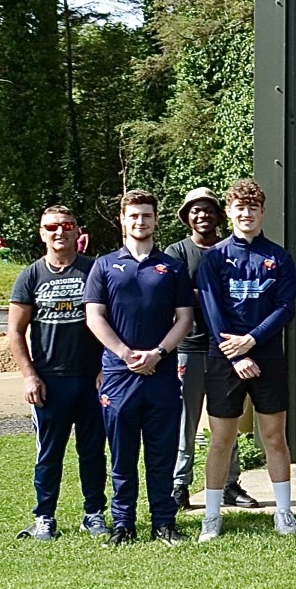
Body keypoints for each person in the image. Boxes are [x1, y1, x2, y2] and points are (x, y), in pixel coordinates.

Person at [83, 190, 195, 546]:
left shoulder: (172, 267)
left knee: (161, 453)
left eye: (146, 215)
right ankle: (123, 525)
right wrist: (125, 353)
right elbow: (94, 316)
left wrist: (158, 353)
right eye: (133, 216)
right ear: (123, 220)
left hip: (161, 374)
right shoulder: (104, 265)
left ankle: (164, 522)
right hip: (119, 376)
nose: (140, 222)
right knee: (122, 454)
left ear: (156, 219)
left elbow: (185, 318)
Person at [194, 180, 296, 539]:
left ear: (262, 212)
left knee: (274, 436)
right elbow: (210, 308)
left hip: (267, 354)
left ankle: (284, 513)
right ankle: (212, 515)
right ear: (229, 212)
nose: (246, 214)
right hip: (225, 358)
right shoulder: (214, 257)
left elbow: (286, 308)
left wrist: (252, 340)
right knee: (222, 438)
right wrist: (235, 354)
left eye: (252, 207)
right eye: (239, 207)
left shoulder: (279, 256)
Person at [10, 205, 107, 540]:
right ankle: (44, 517)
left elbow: (112, 321)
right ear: (42, 232)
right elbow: (15, 330)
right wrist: (29, 376)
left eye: (66, 225)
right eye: (51, 227)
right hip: (50, 382)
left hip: (91, 380)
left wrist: (105, 366)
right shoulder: (31, 276)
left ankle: (94, 514)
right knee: (49, 454)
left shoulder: (94, 270)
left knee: (93, 451)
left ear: (77, 231)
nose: (59, 232)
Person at [167, 187, 249, 513]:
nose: (202, 215)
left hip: (227, 348)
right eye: (195, 210)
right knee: (186, 421)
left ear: (219, 214)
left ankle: (230, 484)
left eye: (208, 210)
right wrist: (210, 295)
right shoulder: (178, 252)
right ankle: (179, 486)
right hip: (189, 348)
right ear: (187, 216)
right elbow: (177, 297)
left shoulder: (232, 249)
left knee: (225, 419)